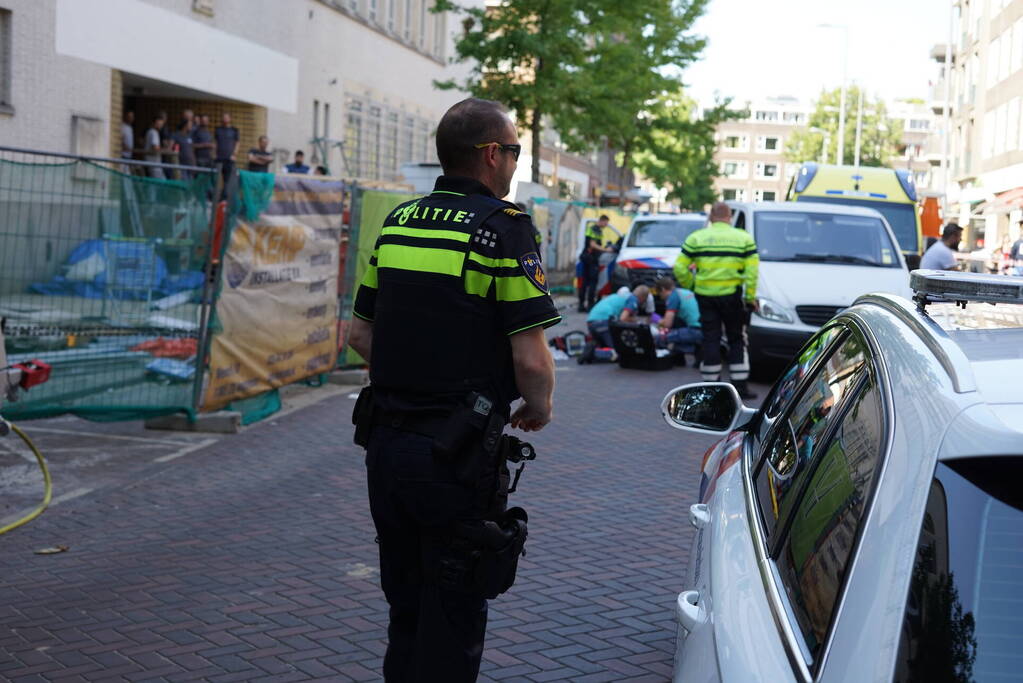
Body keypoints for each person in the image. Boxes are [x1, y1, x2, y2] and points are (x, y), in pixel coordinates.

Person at [347, 97, 558, 682]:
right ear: (491, 155)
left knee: (406, 609)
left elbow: (359, 334)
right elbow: (532, 358)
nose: (514, 162)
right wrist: (538, 407)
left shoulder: (400, 221)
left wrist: (410, 379)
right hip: (456, 454)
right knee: (454, 616)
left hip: (385, 445)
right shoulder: (503, 229)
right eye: (514, 150)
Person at [674, 202, 759, 399]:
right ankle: (739, 386)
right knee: (736, 338)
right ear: (730, 217)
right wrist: (749, 297)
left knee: (710, 338)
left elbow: (679, 268)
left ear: (711, 216)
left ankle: (711, 387)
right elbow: (752, 272)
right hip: (732, 297)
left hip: (705, 296)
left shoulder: (697, 238)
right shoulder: (744, 239)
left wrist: (692, 285)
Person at [653, 276, 703, 364]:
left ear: (663, 289)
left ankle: (664, 362)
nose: (661, 298)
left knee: (659, 338)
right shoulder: (685, 292)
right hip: (706, 329)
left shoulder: (673, 296)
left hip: (695, 331)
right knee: (675, 329)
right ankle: (682, 359)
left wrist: (658, 321)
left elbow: (667, 324)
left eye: (660, 294)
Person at [578, 215, 611, 312]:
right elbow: (593, 244)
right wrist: (605, 250)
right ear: (602, 220)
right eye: (606, 223)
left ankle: (581, 305)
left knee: (585, 282)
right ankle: (590, 305)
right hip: (591, 259)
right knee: (592, 282)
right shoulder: (595, 229)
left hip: (587, 258)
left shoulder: (593, 229)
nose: (606, 225)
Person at [214, 113, 240, 187]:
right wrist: (214, 154)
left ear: (230, 119)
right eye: (223, 117)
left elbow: (237, 143)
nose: (225, 119)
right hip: (219, 157)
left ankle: (224, 194)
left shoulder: (234, 130)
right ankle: (216, 193)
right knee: (216, 177)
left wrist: (234, 154)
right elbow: (215, 142)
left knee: (227, 179)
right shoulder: (218, 129)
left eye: (226, 117)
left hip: (229, 157)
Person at [144, 113, 166, 179]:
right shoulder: (153, 132)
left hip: (152, 163)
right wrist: (166, 150)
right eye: (161, 123)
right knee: (160, 182)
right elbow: (155, 147)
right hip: (154, 163)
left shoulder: (150, 131)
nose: (162, 125)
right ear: (156, 121)